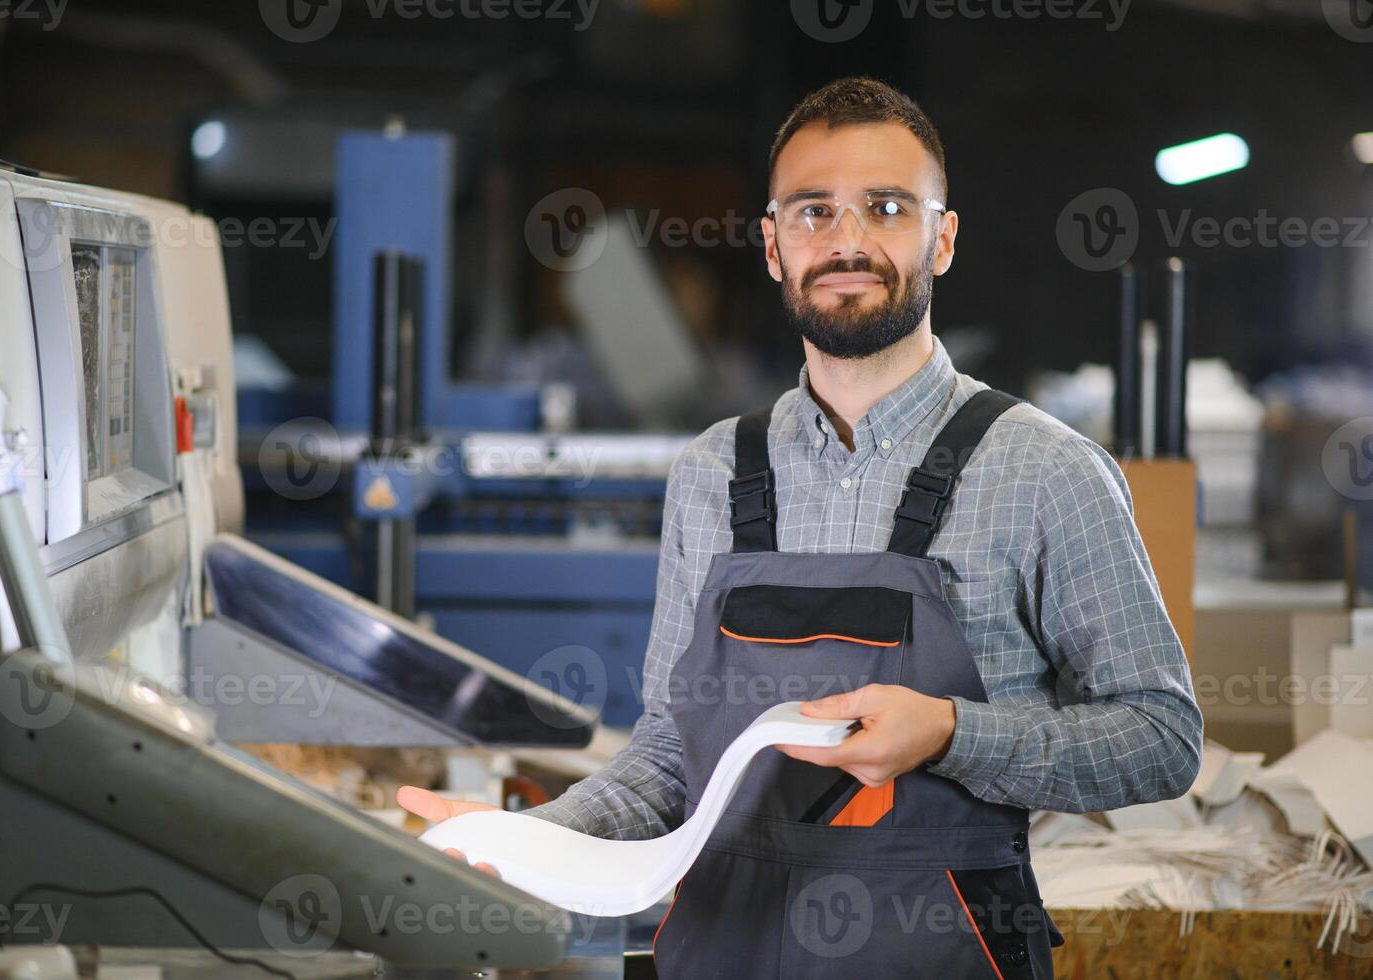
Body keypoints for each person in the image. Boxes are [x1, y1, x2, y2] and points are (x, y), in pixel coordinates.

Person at [400, 76, 1203, 979]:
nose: (847, 240)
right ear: (773, 246)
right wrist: (521, 841)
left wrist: (947, 732)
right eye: (813, 211)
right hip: (722, 951)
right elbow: (670, 751)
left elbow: (1159, 738)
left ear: (940, 239)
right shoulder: (713, 473)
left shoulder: (1045, 470)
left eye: (886, 207)